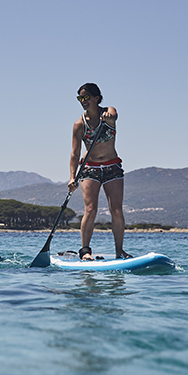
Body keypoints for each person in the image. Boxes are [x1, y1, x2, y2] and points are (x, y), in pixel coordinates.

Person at [68, 83, 130, 261]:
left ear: (96, 98)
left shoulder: (108, 111)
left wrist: (109, 117)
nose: (83, 101)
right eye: (80, 98)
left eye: (86, 97)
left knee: (116, 210)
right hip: (90, 169)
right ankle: (85, 251)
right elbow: (74, 153)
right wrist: (72, 177)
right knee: (90, 209)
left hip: (112, 167)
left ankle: (120, 251)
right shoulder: (79, 124)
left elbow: (114, 114)